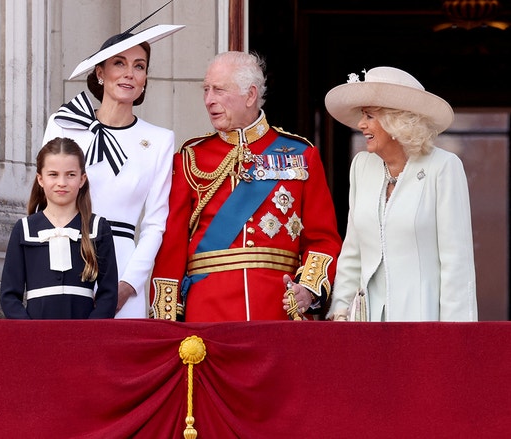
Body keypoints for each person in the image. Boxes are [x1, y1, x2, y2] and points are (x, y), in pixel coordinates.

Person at [149, 51, 343, 321]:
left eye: (219, 90)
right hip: (207, 313)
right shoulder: (190, 158)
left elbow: (322, 239)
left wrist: (308, 290)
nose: (208, 100)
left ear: (250, 95)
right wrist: (166, 321)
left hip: (277, 310)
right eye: (206, 90)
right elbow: (172, 248)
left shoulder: (301, 154)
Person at [43, 21, 183, 319]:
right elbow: (44, 201)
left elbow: (155, 224)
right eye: (119, 63)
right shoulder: (64, 124)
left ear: (145, 78)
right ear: (100, 72)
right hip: (62, 257)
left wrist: (128, 285)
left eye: (139, 66)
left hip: (122, 265)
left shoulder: (160, 140)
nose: (129, 73)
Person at [324, 66, 477, 321]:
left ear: (397, 122)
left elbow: (456, 264)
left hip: (422, 321)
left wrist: (454, 335)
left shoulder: (443, 167)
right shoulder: (362, 166)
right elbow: (353, 251)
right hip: (367, 324)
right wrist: (340, 312)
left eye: (370, 116)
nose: (361, 124)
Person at [0, 137, 118, 319]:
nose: (62, 182)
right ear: (40, 179)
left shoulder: (98, 228)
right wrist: (28, 329)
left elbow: (108, 295)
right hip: (35, 332)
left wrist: (90, 330)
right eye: (53, 174)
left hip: (85, 331)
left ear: (82, 179)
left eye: (70, 175)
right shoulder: (24, 229)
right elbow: (9, 296)